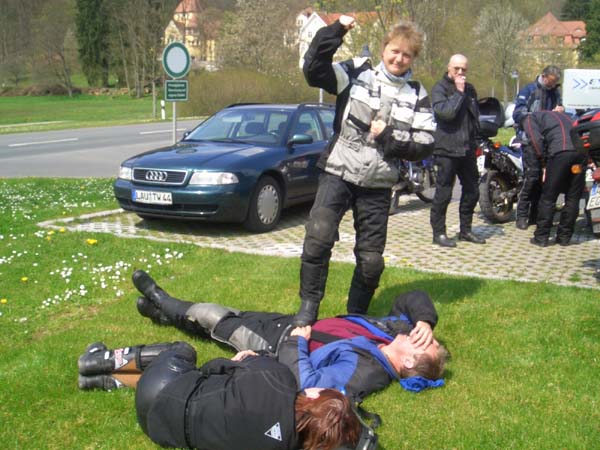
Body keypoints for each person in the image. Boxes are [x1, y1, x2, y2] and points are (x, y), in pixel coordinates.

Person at [295, 15, 435, 325]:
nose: (399, 59)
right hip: (338, 171)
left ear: (413, 58)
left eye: (407, 54)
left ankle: (354, 318)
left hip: (379, 183)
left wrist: (388, 136)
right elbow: (313, 70)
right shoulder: (357, 72)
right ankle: (308, 308)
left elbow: (426, 143)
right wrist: (336, 31)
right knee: (318, 237)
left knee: (372, 262)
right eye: (394, 51)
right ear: (384, 49)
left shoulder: (417, 94)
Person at [131, 270, 448, 402]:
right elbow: (412, 297)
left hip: (279, 343)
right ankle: (164, 314)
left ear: (409, 361)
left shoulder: (366, 372)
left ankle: (162, 300)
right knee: (232, 313)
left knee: (212, 317)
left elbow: (306, 385)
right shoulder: (391, 333)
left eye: (426, 343)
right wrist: (425, 320)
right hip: (292, 324)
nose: (421, 335)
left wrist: (297, 341)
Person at [78, 341, 360, 450]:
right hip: (160, 431)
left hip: (164, 388)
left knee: (183, 351)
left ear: (314, 396)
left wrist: (236, 363)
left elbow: (213, 367)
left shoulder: (279, 379)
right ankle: (106, 381)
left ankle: (100, 359)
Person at [429, 54, 485, 248]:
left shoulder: (470, 89)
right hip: (446, 148)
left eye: (464, 69)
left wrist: (477, 140)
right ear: (449, 68)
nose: (460, 72)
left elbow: (474, 117)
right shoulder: (440, 88)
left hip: (467, 148)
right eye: (457, 69)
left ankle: (465, 230)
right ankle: (439, 233)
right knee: (444, 192)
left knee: (472, 190)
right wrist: (459, 93)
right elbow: (446, 113)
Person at [522, 111, 586, 247]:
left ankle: (541, 237)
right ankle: (564, 238)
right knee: (573, 197)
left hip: (560, 153)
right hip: (580, 155)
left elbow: (535, 140)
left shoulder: (529, 118)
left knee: (548, 197)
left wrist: (543, 160)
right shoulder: (565, 116)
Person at [513, 65, 564, 230]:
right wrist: (541, 117)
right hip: (530, 140)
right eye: (550, 82)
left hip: (549, 141)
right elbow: (518, 114)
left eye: (555, 83)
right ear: (544, 76)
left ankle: (535, 215)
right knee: (532, 177)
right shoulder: (529, 90)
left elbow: (560, 112)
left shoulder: (555, 92)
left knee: (545, 180)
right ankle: (521, 215)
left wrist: (560, 111)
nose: (552, 85)